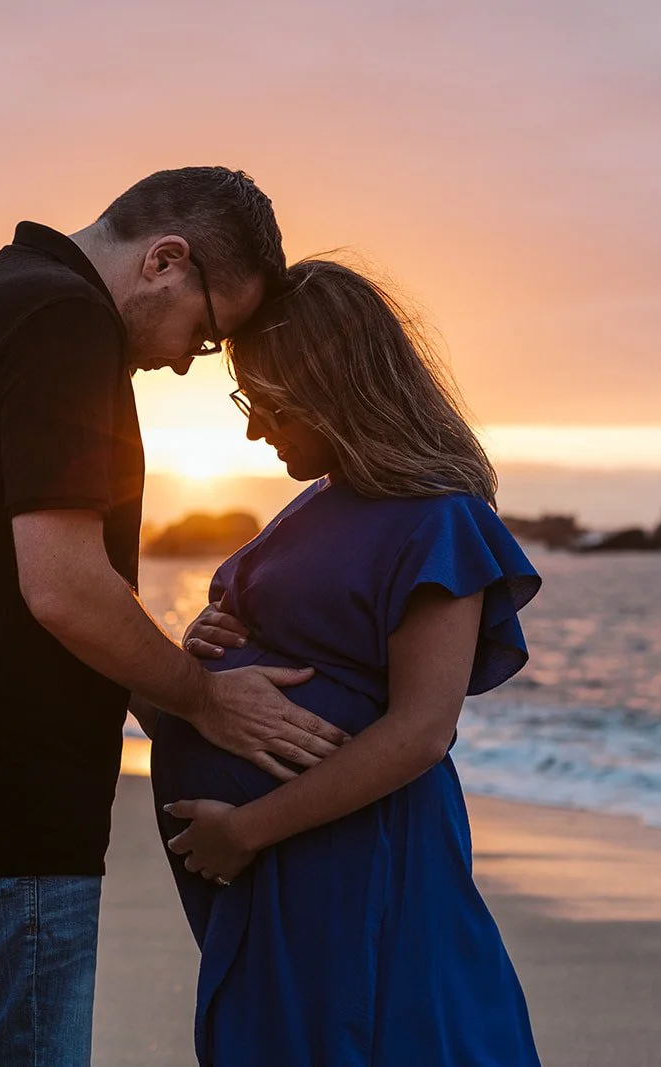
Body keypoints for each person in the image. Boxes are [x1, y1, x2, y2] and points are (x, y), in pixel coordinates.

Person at [0, 167, 349, 1067]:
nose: (185, 360)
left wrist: (160, 678)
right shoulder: (66, 325)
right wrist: (203, 701)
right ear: (164, 261)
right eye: (206, 334)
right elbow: (62, 585)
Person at [145, 259, 544, 1065]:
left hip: (359, 856)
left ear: (338, 391)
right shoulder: (315, 503)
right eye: (247, 400)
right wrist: (199, 662)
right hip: (291, 861)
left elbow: (422, 731)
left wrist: (248, 826)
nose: (256, 429)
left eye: (271, 404)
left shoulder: (438, 519)